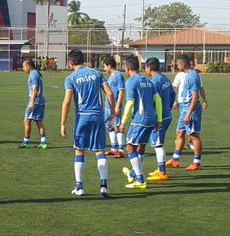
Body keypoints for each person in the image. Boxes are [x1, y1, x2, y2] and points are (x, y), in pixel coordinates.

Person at [60, 49, 115, 197]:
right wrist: (113, 111)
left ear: (70, 63)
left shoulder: (71, 78)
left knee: (79, 150)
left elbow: (67, 102)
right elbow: (109, 93)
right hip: (98, 116)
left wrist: (63, 123)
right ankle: (103, 186)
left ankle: (80, 187)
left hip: (82, 117)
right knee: (100, 151)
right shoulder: (97, 73)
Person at [120, 56, 162, 190]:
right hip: (152, 119)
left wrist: (123, 121)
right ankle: (133, 173)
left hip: (140, 119)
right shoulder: (148, 81)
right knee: (140, 147)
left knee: (130, 147)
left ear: (127, 68)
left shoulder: (131, 81)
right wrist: (159, 119)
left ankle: (140, 179)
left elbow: (130, 103)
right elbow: (158, 100)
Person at [171, 54, 204, 171]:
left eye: (178, 63)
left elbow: (195, 97)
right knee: (179, 133)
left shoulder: (192, 76)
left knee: (194, 136)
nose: (177, 65)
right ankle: (175, 159)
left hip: (191, 109)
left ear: (183, 64)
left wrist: (188, 114)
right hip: (184, 108)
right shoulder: (188, 75)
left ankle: (197, 162)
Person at [146, 58, 176, 182]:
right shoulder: (165, 78)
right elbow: (173, 93)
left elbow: (152, 101)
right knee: (159, 143)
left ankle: (162, 172)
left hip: (160, 118)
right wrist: (168, 107)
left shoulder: (154, 82)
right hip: (167, 115)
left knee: (158, 145)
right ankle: (160, 169)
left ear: (149, 67)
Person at [20, 59, 47, 149]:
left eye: (24, 67)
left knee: (27, 120)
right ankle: (43, 143)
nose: (23, 68)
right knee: (38, 121)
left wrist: (32, 102)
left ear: (28, 66)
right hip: (39, 101)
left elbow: (35, 89)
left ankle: (26, 142)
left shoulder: (34, 75)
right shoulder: (35, 73)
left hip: (36, 101)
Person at [103, 57, 126, 158]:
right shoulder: (110, 77)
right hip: (108, 107)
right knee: (109, 126)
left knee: (117, 126)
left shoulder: (118, 76)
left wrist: (117, 106)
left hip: (115, 107)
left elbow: (121, 91)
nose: (104, 69)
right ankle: (113, 148)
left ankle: (121, 150)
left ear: (109, 66)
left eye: (104, 66)